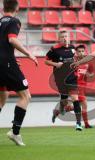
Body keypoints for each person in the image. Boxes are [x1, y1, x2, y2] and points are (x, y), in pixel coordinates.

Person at [0, 0, 38, 146]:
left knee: (2, 97)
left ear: (3, 8)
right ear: (17, 9)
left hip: (4, 63)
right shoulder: (14, 21)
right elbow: (12, 40)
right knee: (25, 96)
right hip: (6, 63)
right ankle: (15, 132)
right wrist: (29, 54)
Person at [45, 30, 83, 131]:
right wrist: (56, 64)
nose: (65, 38)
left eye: (66, 36)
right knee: (65, 101)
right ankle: (58, 110)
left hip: (72, 78)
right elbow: (46, 61)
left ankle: (78, 124)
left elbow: (75, 59)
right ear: (59, 39)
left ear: (69, 37)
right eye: (62, 37)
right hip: (60, 79)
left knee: (75, 99)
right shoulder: (54, 50)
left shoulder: (72, 48)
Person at [52, 44, 94, 128]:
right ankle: (85, 124)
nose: (81, 53)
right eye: (79, 51)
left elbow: (91, 74)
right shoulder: (72, 62)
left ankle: (58, 112)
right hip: (74, 86)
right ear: (76, 53)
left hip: (82, 86)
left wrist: (89, 74)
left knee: (78, 106)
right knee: (83, 104)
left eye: (82, 51)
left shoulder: (88, 63)